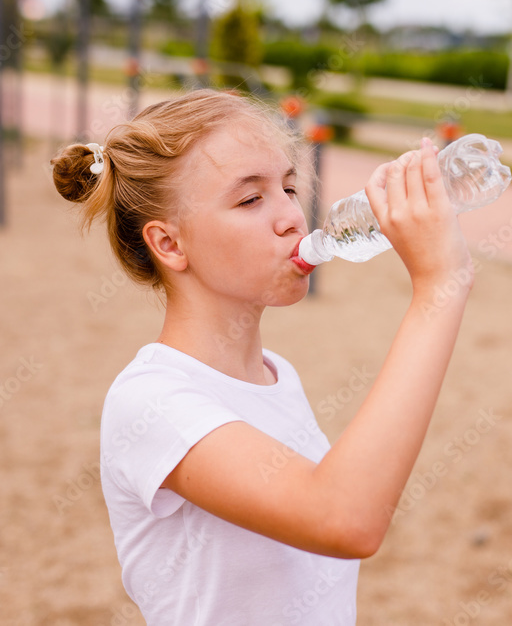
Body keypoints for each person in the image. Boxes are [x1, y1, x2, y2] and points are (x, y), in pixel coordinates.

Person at [51, 89, 473, 625]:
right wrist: (439, 285)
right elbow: (344, 519)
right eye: (251, 199)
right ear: (170, 244)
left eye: (289, 187)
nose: (293, 217)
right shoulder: (151, 402)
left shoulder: (277, 375)